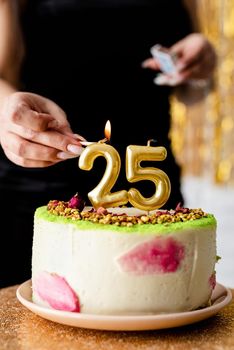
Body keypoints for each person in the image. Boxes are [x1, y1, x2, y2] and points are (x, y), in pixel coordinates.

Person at [0, 0, 216, 288]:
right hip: (38, 195)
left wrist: (200, 66)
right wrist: (7, 109)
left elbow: (189, 93)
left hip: (154, 199)